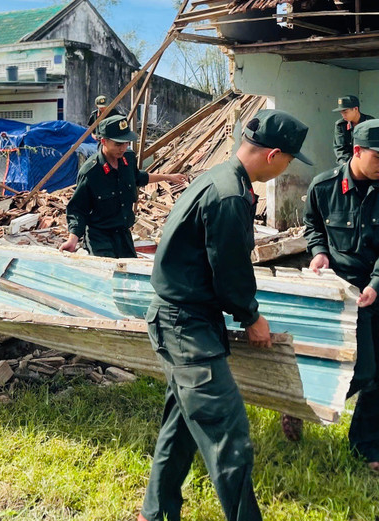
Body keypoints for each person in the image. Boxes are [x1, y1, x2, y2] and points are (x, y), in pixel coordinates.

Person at [139, 109, 312, 521]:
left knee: (181, 426)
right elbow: (230, 271)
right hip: (186, 326)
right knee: (229, 438)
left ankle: (154, 512)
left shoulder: (219, 178)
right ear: (273, 155)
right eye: (289, 159)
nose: (288, 166)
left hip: (181, 318)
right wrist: (251, 317)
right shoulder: (230, 194)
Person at [303, 119, 379, 475]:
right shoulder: (324, 186)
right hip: (343, 291)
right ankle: (304, 405)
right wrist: (319, 251)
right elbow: (313, 226)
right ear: (357, 151)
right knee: (360, 370)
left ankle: (367, 449)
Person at [60, 115, 187, 258]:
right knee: (106, 274)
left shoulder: (128, 158)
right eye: (118, 144)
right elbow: (77, 208)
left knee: (130, 274)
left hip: (123, 234)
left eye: (126, 143)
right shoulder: (91, 172)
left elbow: (138, 177)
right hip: (99, 237)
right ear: (104, 141)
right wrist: (73, 239)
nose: (123, 148)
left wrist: (168, 177)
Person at [333, 95, 373, 163]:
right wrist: (346, 164)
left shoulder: (370, 123)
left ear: (356, 109)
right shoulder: (340, 125)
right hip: (348, 163)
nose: (343, 115)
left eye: (345, 112)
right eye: (341, 112)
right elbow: (340, 149)